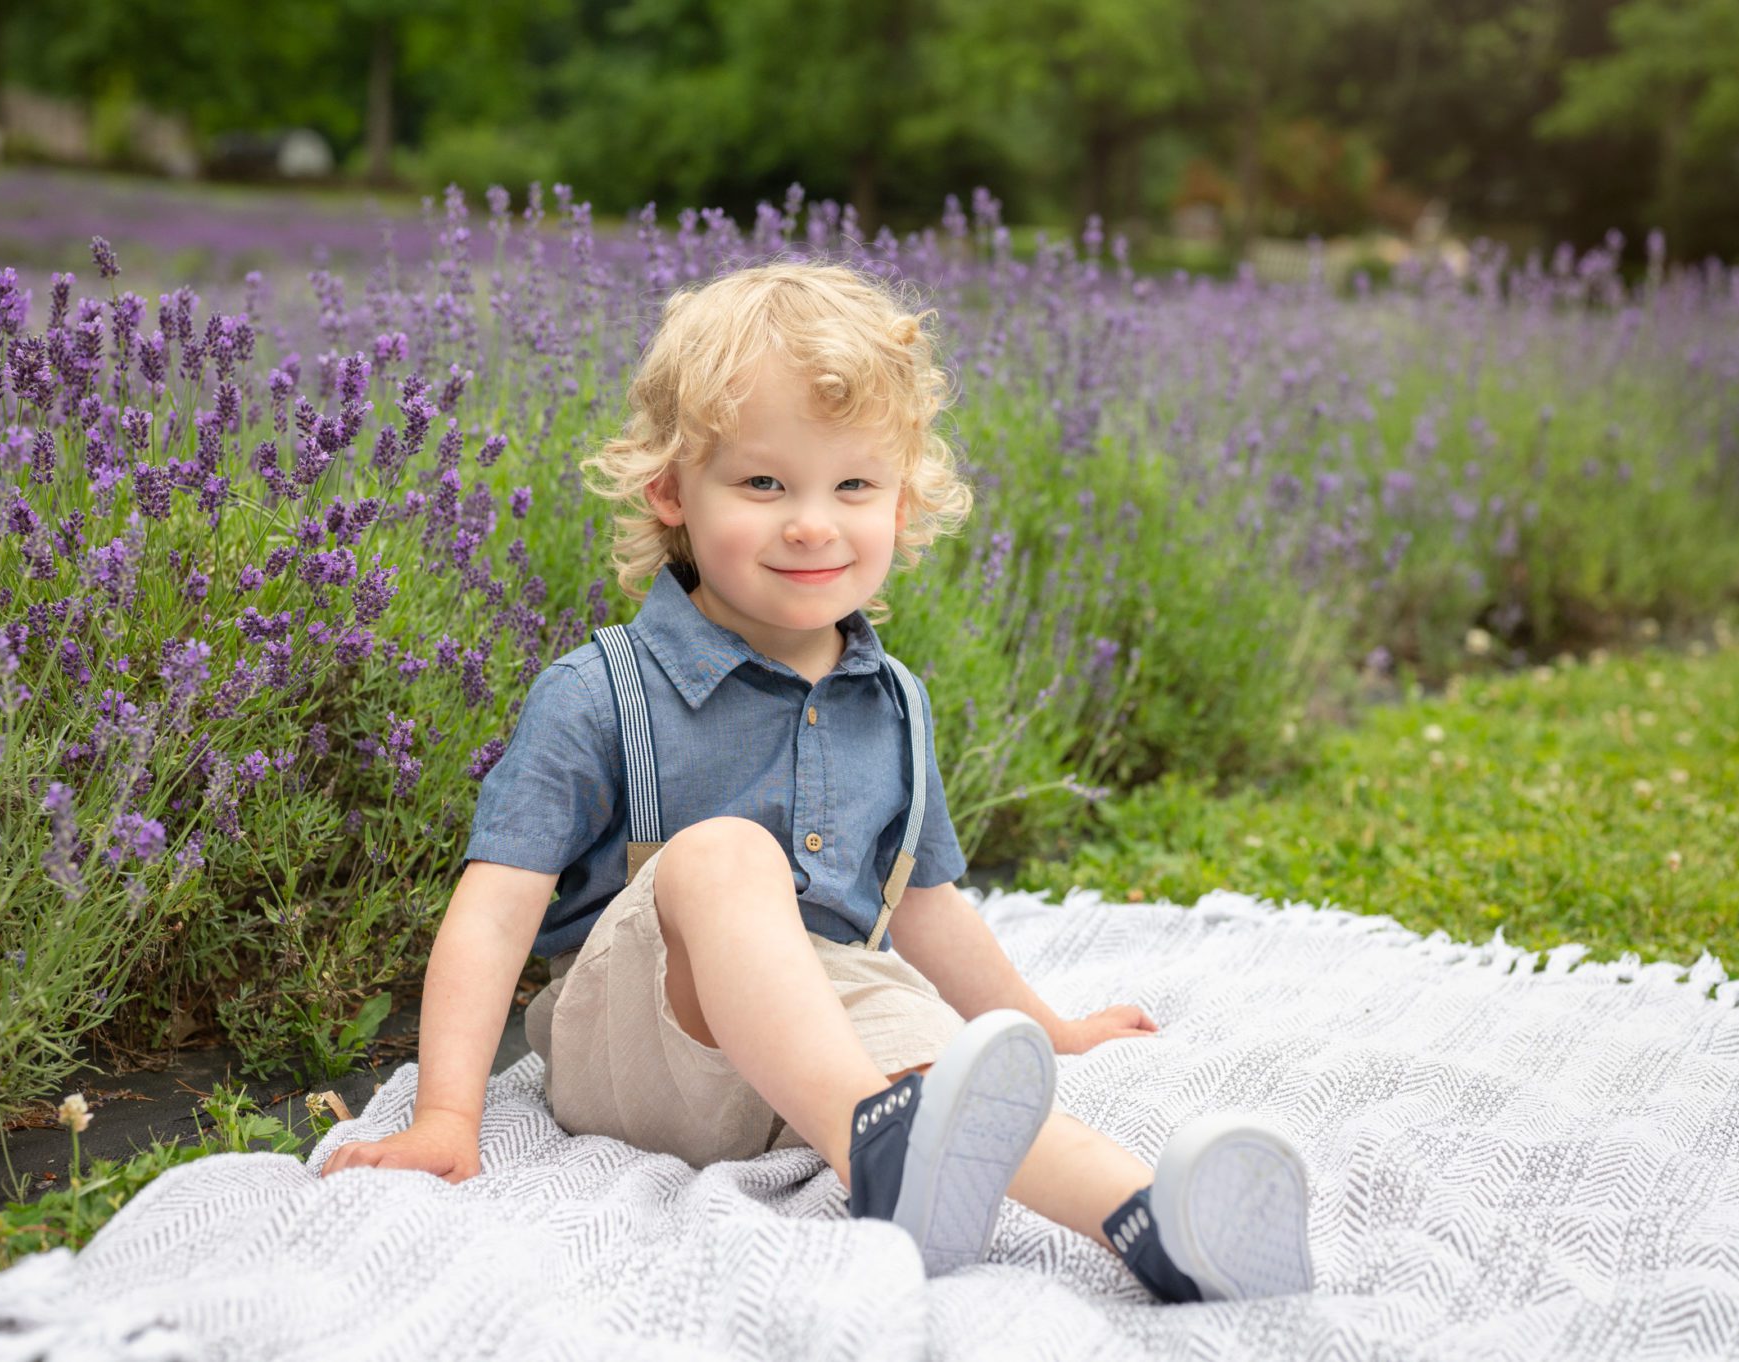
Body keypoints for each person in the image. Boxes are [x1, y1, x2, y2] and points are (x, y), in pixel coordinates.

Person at [322, 261, 1314, 1301]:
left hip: (817, 1039)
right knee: (722, 856)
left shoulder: (894, 703)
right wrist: (446, 1113)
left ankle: (1158, 1229)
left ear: (902, 500)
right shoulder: (598, 692)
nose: (811, 522)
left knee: (962, 1085)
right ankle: (875, 1144)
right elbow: (492, 914)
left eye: (852, 486)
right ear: (671, 492)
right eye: (763, 483)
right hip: (642, 1047)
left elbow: (925, 908)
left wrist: (1047, 1026)